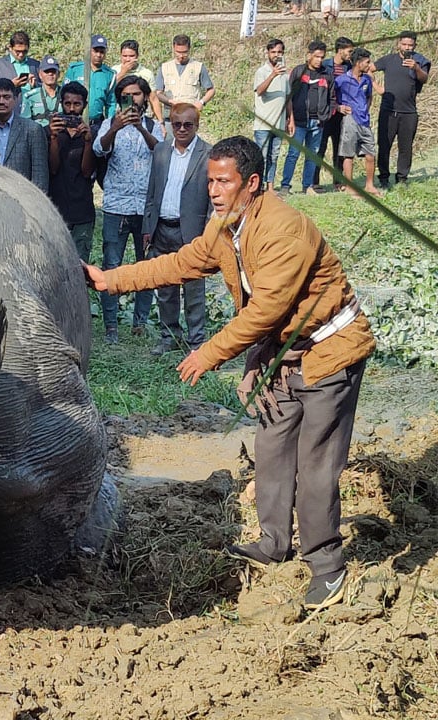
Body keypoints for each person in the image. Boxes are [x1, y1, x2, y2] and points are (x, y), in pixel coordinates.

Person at [83, 136, 375, 611]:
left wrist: (208, 354)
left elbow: (265, 311)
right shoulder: (226, 229)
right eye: (210, 181)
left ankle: (327, 566)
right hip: (283, 353)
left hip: (329, 353)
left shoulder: (285, 231)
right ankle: (275, 542)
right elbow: (180, 264)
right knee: (273, 447)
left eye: (224, 181)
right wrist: (109, 279)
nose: (214, 191)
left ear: (252, 183)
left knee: (316, 464)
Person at [92, 75, 163, 344]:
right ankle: (111, 326)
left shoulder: (153, 125)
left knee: (145, 266)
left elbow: (161, 152)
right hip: (115, 206)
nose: (132, 99)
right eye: (126, 95)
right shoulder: (110, 124)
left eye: (137, 94)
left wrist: (142, 129)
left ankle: (140, 323)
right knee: (111, 265)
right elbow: (99, 149)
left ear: (145, 97)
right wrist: (116, 128)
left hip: (145, 206)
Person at [142, 104, 211, 355]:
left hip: (192, 233)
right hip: (162, 229)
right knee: (165, 288)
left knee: (194, 291)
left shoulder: (207, 154)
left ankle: (197, 343)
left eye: (187, 125)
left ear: (197, 125)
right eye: (176, 123)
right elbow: (151, 192)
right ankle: (169, 336)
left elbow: (213, 199)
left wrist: (208, 234)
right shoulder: (161, 150)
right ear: (170, 123)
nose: (181, 129)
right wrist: (147, 227)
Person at [0, 78, 48, 192]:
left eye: (6, 97)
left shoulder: (32, 130)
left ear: (15, 99)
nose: (1, 102)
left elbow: (40, 174)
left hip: (24, 198)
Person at [47, 82, 96, 261]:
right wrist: (53, 138)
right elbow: (53, 168)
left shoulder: (91, 133)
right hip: (55, 207)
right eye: (67, 104)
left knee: (80, 264)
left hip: (82, 208)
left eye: (77, 104)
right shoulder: (49, 131)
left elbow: (87, 171)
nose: (72, 109)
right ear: (61, 104)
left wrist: (88, 141)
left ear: (84, 105)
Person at [375, 31, 430, 187]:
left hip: (409, 112)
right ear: (398, 43)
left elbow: (424, 79)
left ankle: (402, 178)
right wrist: (376, 86)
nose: (407, 48)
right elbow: (367, 68)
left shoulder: (419, 60)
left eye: (410, 45)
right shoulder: (388, 60)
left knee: (405, 147)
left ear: (415, 46)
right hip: (388, 111)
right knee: (384, 145)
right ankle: (384, 178)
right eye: (404, 44)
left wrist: (416, 68)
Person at [281, 40, 335, 195]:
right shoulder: (299, 72)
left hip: (318, 123)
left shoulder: (327, 75)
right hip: (298, 122)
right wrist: (288, 118)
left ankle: (307, 186)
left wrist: (326, 115)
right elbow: (289, 95)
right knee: (293, 154)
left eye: (322, 57)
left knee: (312, 155)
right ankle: (285, 185)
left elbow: (332, 98)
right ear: (309, 55)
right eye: (316, 56)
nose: (319, 60)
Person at [335, 48, 383, 197]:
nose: (370, 65)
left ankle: (369, 185)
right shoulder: (341, 80)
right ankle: (349, 187)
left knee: (370, 153)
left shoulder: (367, 79)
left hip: (365, 120)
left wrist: (365, 109)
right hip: (350, 120)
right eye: (367, 62)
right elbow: (332, 98)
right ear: (358, 63)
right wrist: (339, 107)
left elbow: (369, 97)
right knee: (348, 154)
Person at [314, 37, 355, 189]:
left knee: (339, 148)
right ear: (340, 50)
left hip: (342, 115)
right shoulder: (324, 66)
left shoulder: (348, 67)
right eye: (349, 51)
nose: (351, 54)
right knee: (320, 148)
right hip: (325, 113)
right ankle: (314, 182)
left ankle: (338, 182)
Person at [253, 39, 291, 190]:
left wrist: (291, 119)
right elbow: (260, 91)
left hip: (279, 123)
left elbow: (288, 98)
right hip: (263, 123)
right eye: (273, 52)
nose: (276, 55)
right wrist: (272, 75)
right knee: (260, 156)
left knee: (273, 156)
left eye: (279, 52)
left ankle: (270, 186)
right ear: (267, 53)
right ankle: (258, 186)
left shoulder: (285, 75)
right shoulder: (261, 72)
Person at [154, 35, 215, 116]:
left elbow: (211, 90)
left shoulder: (198, 67)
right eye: (178, 52)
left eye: (184, 52)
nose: (181, 56)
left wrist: (201, 102)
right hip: (170, 115)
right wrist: (170, 102)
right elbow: (158, 93)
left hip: (190, 115)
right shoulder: (164, 68)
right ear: (173, 48)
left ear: (189, 49)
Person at [64, 35, 117, 124]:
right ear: (89, 50)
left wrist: (109, 124)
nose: (99, 55)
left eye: (102, 52)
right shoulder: (74, 70)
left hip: (96, 124)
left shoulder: (110, 75)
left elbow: (111, 103)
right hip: (74, 122)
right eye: (95, 51)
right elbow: (63, 95)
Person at [112, 39, 161, 122]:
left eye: (131, 56)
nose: (128, 59)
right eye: (125, 56)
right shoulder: (113, 71)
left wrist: (160, 121)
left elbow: (153, 98)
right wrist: (123, 73)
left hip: (141, 115)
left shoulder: (146, 73)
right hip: (119, 115)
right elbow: (109, 90)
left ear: (137, 56)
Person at [21, 55, 63, 127]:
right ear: (40, 75)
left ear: (58, 74)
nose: (50, 74)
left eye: (53, 71)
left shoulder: (66, 95)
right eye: (47, 71)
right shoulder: (30, 97)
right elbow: (24, 122)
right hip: (38, 135)